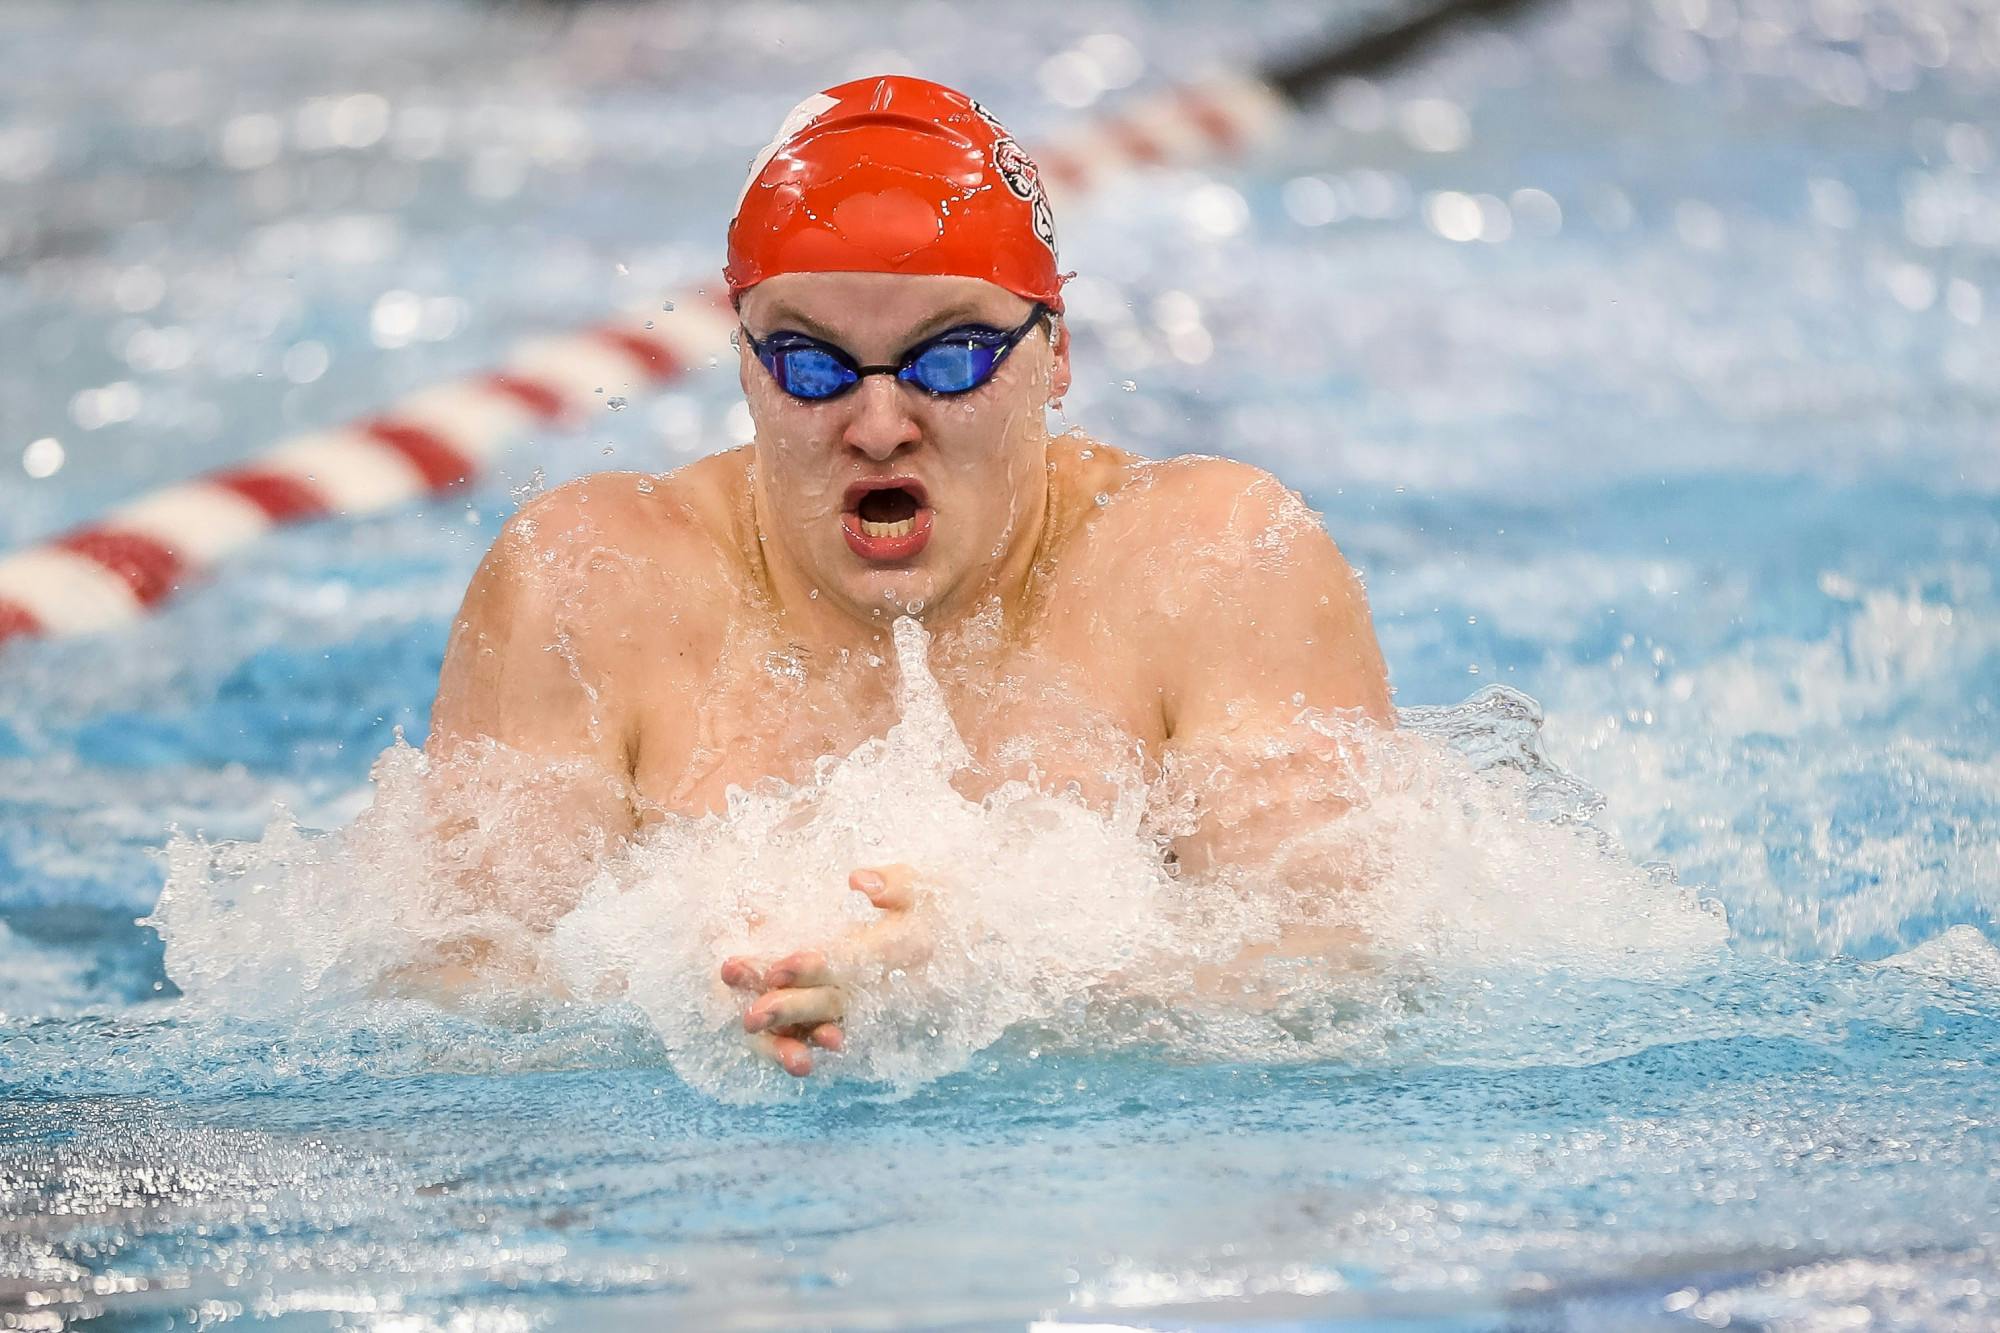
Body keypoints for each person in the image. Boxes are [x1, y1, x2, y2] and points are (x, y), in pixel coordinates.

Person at [426, 76, 1392, 1076]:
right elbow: (447, 1006)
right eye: (812, 365)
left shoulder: (1214, 564)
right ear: (746, 367)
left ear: (1053, 354)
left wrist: (995, 980)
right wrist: (686, 998)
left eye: (948, 358)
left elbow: (1342, 983)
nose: (880, 425)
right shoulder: (588, 583)